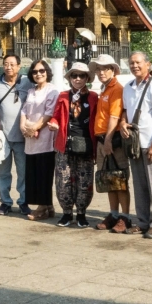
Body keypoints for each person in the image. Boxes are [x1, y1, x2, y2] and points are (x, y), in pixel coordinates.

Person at [120, 51, 152, 239]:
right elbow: (125, 111)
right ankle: (142, 221)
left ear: (148, 64)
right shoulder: (128, 87)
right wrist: (123, 123)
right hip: (134, 144)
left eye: (138, 63)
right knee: (139, 185)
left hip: (150, 142)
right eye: (131, 63)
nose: (134, 66)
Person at [49, 62, 98, 227]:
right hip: (65, 143)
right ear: (69, 78)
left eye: (81, 75)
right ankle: (67, 213)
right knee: (63, 181)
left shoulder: (93, 97)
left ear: (87, 78)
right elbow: (55, 115)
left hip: (85, 144)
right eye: (74, 75)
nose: (77, 79)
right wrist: (54, 123)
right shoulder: (63, 96)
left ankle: (82, 213)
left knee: (84, 180)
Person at [91, 54, 130, 232]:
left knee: (119, 180)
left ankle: (125, 216)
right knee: (108, 180)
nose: (101, 72)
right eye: (98, 69)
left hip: (112, 140)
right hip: (102, 139)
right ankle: (114, 214)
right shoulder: (105, 89)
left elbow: (114, 117)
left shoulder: (116, 88)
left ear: (113, 70)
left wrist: (107, 141)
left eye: (105, 68)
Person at [0, 54, 32, 216]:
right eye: (6, 64)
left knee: (24, 172)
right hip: (2, 137)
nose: (8, 67)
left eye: (12, 64)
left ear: (19, 66)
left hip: (23, 137)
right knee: (1, 172)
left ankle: (23, 201)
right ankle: (5, 202)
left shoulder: (27, 82)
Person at [20, 59, 57, 221]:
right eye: (35, 72)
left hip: (45, 138)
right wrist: (23, 126)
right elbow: (24, 110)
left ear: (47, 72)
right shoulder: (31, 91)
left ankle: (42, 207)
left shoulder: (52, 91)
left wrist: (34, 127)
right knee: (33, 174)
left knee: (44, 174)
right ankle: (48, 206)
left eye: (42, 71)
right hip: (30, 139)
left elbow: (49, 113)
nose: (38, 74)